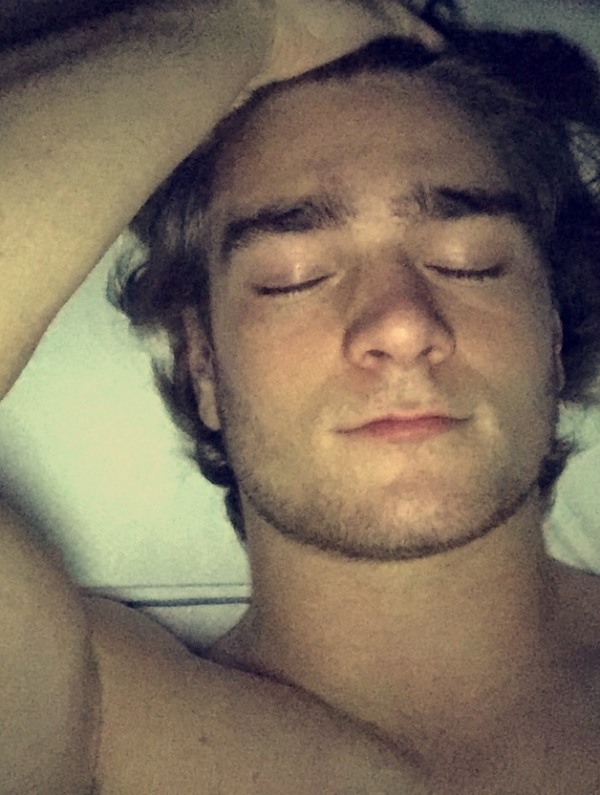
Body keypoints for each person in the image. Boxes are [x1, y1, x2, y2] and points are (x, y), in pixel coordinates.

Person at [1, 1, 600, 793]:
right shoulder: (88, 730)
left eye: (470, 261)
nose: (401, 324)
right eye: (295, 277)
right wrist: (253, 22)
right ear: (204, 365)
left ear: (552, 334)